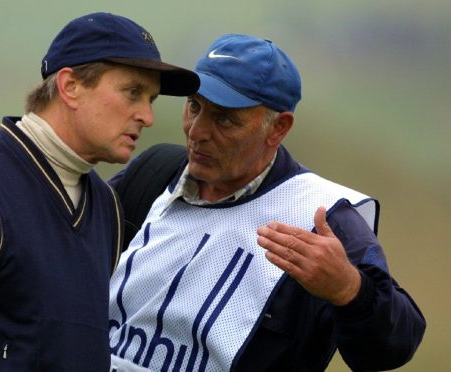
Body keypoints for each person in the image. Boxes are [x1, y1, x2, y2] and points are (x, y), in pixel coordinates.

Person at [0, 12, 199, 371]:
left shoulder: (104, 203)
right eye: (132, 92)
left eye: (150, 100)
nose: (146, 116)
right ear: (70, 86)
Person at [108, 34, 425, 371]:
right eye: (194, 106)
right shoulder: (153, 174)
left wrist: (349, 289)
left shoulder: (322, 217)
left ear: (278, 129)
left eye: (225, 119)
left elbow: (395, 346)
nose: (197, 131)